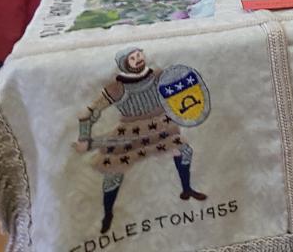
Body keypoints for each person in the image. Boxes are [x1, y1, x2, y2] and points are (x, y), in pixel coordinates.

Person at [74, 47, 208, 234]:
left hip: (161, 125)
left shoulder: (158, 75)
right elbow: (90, 112)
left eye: (139, 55)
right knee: (113, 172)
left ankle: (187, 189)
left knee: (184, 151)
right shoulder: (117, 87)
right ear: (124, 63)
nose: (138, 59)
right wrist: (83, 137)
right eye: (133, 58)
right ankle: (108, 214)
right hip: (130, 131)